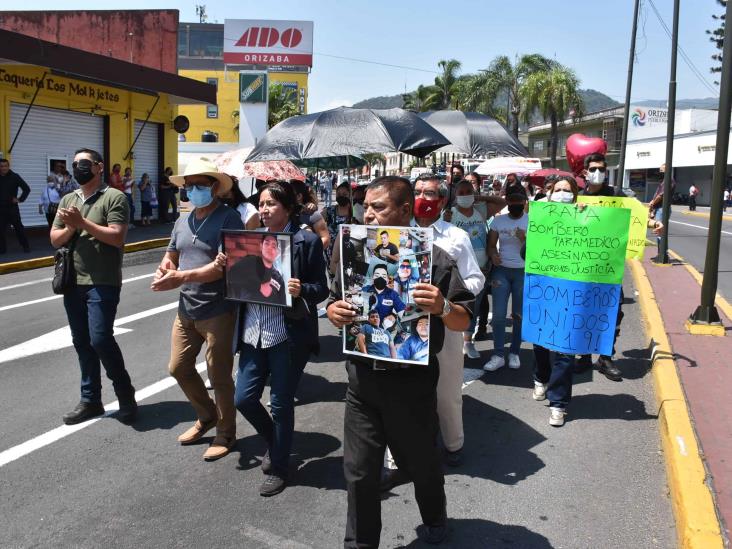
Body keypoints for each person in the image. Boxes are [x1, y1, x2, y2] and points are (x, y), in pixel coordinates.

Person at [327, 176, 473, 547]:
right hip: (362, 383)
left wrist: (442, 306)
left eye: (379, 207)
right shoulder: (350, 251)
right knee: (359, 475)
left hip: (412, 385)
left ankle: (435, 516)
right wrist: (334, 311)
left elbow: (463, 319)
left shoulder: (436, 259)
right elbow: (331, 301)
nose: (368, 214)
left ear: (405, 211)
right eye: (366, 206)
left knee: (421, 463)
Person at [224, 180, 328, 496]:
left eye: (271, 204)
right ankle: (276, 441)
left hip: (287, 334)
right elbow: (239, 285)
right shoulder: (248, 240)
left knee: (281, 404)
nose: (265, 209)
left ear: (288, 207)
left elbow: (321, 289)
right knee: (244, 398)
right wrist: (225, 268)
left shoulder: (305, 241)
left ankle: (281, 467)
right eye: (262, 203)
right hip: (253, 332)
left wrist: (301, 289)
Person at [151, 157, 244, 461]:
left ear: (215, 187)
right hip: (186, 309)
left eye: (199, 186)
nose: (192, 191)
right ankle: (206, 417)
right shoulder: (182, 220)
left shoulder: (229, 219)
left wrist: (181, 277)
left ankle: (226, 432)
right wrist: (166, 267)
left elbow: (222, 268)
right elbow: (172, 254)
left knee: (219, 376)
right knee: (178, 367)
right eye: (188, 186)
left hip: (218, 309)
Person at [50, 148, 136, 424]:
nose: (78, 168)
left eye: (84, 163)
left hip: (102, 281)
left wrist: (81, 222)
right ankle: (90, 400)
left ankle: (125, 396)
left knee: (100, 339)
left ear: (99, 167)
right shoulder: (68, 198)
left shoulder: (114, 197)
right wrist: (72, 228)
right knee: (82, 342)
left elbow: (117, 237)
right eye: (74, 164)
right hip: (73, 281)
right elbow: (55, 238)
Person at [409, 173, 487, 469]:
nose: (421, 199)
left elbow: (475, 279)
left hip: (445, 323)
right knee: (403, 394)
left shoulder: (456, 238)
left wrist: (449, 301)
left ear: (442, 201)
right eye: (417, 192)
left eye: (428, 194)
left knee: (447, 391)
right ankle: (399, 454)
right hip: (406, 328)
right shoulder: (396, 233)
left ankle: (453, 444)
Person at [530, 176, 582, 427]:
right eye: (558, 190)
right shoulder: (539, 219)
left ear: (575, 195)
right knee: (541, 345)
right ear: (549, 195)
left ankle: (558, 403)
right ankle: (541, 377)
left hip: (572, 294)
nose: (563, 194)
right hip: (544, 292)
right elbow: (524, 254)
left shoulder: (587, 219)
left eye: (567, 190)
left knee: (565, 351)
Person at [483, 183, 528, 372]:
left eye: (519, 200)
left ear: (525, 201)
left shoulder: (532, 221)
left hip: (523, 272)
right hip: (501, 270)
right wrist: (493, 254)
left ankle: (515, 352)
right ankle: (498, 354)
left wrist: (524, 238)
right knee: (499, 315)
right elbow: (491, 245)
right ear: (507, 201)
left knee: (518, 315)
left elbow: (540, 251)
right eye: (512, 200)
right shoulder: (498, 221)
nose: (515, 203)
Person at [450, 179, 490, 359]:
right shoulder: (449, 214)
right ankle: (452, 343)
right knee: (455, 307)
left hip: (481, 268)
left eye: (469, 191)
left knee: (474, 306)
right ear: (455, 195)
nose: (465, 195)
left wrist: (477, 197)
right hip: (458, 269)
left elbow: (502, 202)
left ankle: (468, 342)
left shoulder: (481, 211)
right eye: (462, 192)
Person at [228, 234, 287, 306]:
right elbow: (231, 276)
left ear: (277, 252)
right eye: (267, 244)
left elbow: (284, 305)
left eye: (273, 246)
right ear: (261, 246)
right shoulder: (249, 262)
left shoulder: (278, 278)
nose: (269, 248)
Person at [0, 158, 31, 254]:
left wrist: (20, 199)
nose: (3, 168)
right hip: (1, 208)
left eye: (5, 166)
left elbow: (26, 189)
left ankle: (26, 246)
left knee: (19, 228)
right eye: (1, 166)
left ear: (8, 166)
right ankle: (2, 249)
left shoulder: (15, 176)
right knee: (1, 230)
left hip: (12, 208)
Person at [291, 179, 330, 251]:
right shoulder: (287, 213)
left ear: (299, 196)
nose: (286, 197)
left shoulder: (313, 215)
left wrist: (310, 253)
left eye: (289, 193)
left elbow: (325, 239)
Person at [322, 182, 355, 268]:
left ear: (350, 195)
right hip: (330, 251)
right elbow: (316, 220)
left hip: (346, 251)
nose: (341, 196)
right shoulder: (330, 210)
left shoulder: (354, 212)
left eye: (344, 194)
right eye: (339, 194)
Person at [647, 162, 676, 251]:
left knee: (660, 231)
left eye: (662, 170)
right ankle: (661, 252)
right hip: (659, 208)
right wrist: (653, 201)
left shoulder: (669, 181)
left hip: (662, 208)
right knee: (660, 231)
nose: (660, 172)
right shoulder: (664, 181)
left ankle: (662, 254)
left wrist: (653, 202)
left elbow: (661, 195)